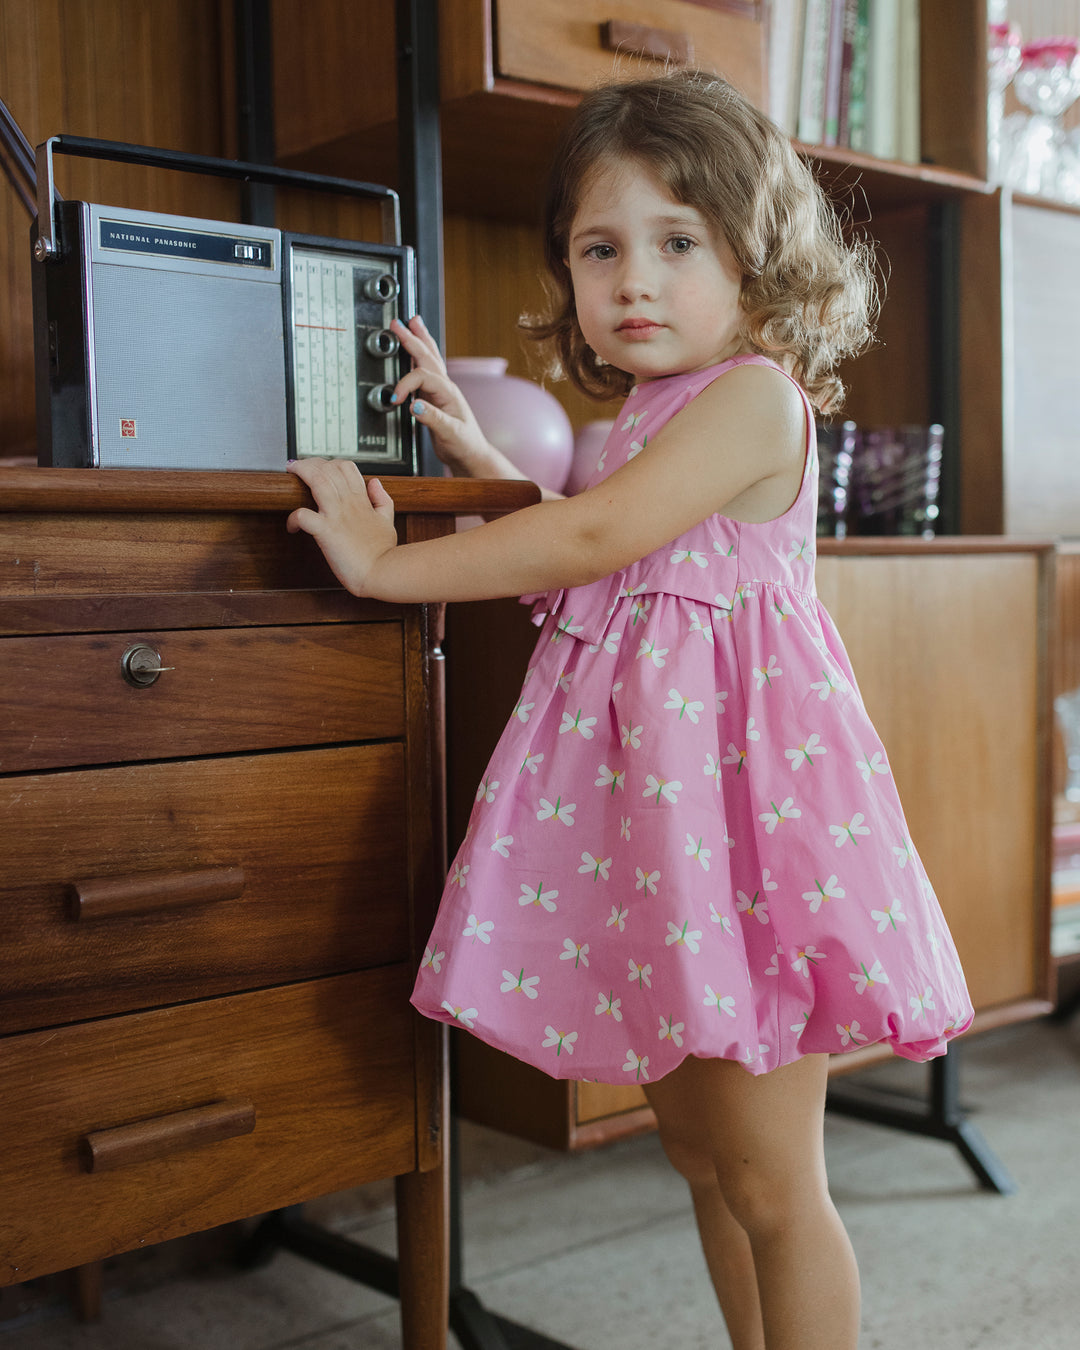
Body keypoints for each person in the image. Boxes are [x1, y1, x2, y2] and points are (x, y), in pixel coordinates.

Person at [286, 68, 974, 1350]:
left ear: (757, 265)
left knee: (774, 1183)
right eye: (601, 249)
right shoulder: (654, 418)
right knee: (706, 1167)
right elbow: (620, 551)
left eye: (677, 243)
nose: (634, 282)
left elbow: (597, 540)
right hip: (669, 849)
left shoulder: (752, 398)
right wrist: (487, 463)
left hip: (747, 852)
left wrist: (387, 570)